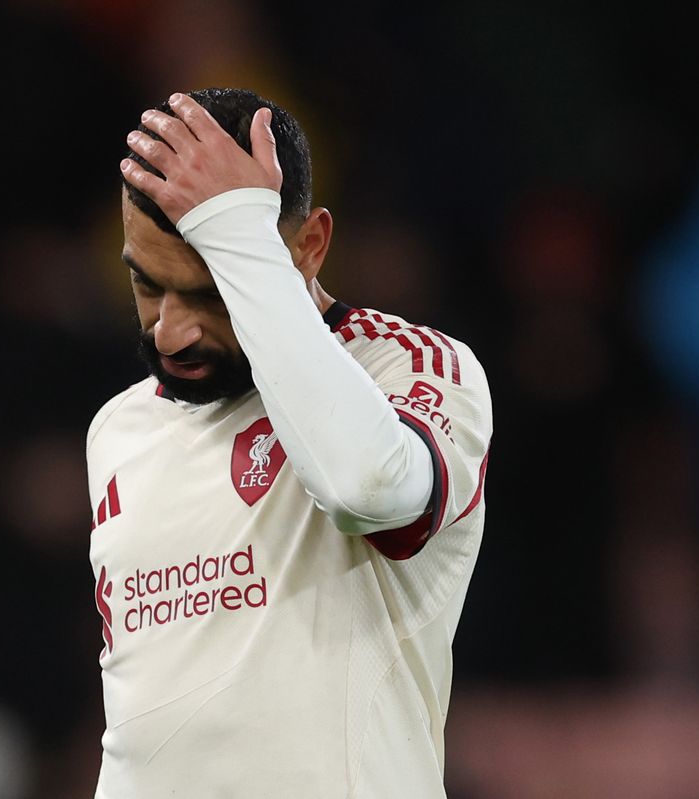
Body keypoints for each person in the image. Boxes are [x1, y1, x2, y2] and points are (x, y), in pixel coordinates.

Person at [87, 87, 492, 798]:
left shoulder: (408, 368)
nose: (169, 332)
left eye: (211, 292)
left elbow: (366, 488)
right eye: (147, 286)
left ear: (308, 247)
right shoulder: (119, 429)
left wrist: (238, 238)